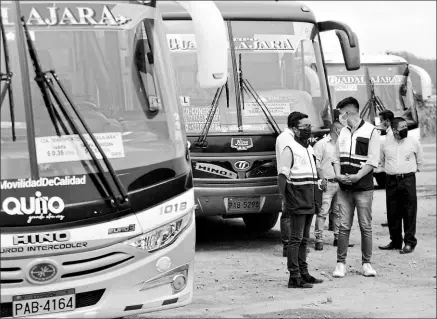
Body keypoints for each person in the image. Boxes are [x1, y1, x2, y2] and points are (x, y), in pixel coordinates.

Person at [331, 97, 380, 278]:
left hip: (363, 188)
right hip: (344, 188)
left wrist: (358, 176)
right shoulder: (342, 132)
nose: (340, 117)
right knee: (343, 226)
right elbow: (336, 157)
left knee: (365, 226)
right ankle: (340, 263)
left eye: (342, 113)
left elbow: (373, 160)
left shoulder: (371, 131)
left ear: (349, 112)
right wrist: (338, 174)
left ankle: (366, 263)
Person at [277, 111, 323, 288]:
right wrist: (286, 199)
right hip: (297, 199)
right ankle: (294, 276)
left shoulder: (308, 148)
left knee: (304, 239)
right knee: (295, 239)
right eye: (305, 127)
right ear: (295, 129)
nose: (309, 129)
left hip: (310, 199)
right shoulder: (290, 148)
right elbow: (282, 176)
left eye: (309, 126)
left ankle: (304, 273)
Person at [378, 117, 423, 254]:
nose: (405, 129)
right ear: (394, 129)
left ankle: (409, 243)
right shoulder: (385, 142)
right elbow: (381, 160)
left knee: (409, 211)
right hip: (391, 180)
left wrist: (410, 171)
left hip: (408, 179)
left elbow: (420, 161)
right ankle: (396, 241)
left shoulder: (413, 142)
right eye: (401, 127)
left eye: (405, 126)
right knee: (393, 212)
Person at [313, 121, 355, 250]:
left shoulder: (343, 145)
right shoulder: (321, 144)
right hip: (327, 183)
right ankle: (319, 239)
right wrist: (321, 179)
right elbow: (316, 163)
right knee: (323, 212)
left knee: (338, 212)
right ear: (337, 130)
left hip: (340, 183)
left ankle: (338, 238)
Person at [275, 122, 295, 257]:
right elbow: (286, 164)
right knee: (288, 214)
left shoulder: (284, 137)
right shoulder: (286, 138)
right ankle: (288, 247)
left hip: (289, 179)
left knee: (289, 214)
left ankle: (290, 247)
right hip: (289, 179)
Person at [376, 109, 395, 227]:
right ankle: (392, 219)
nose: (380, 123)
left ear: (387, 121)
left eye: (381, 121)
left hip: (391, 171)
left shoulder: (391, 135)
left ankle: (393, 221)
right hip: (389, 170)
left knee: (392, 199)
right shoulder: (389, 134)